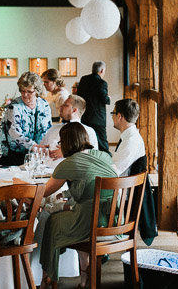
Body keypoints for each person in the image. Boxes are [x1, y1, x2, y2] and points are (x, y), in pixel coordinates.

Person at [37, 123, 117, 289]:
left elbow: (43, 192)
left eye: (61, 142)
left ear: (67, 143)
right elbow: (91, 185)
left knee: (53, 221)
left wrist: (19, 184)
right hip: (114, 220)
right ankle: (84, 279)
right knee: (77, 211)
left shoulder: (70, 163)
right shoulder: (104, 155)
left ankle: (47, 278)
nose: (59, 145)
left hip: (90, 222)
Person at [0, 71, 52, 166]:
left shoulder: (44, 105)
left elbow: (48, 129)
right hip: (7, 153)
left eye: (29, 91)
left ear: (37, 91)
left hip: (33, 152)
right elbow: (15, 134)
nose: (25, 95)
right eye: (23, 90)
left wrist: (45, 146)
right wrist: (35, 146)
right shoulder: (14, 106)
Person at [36, 95, 98, 164]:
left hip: (71, 171)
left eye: (65, 105)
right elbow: (42, 149)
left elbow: (92, 157)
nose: (60, 107)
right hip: (44, 170)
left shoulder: (88, 131)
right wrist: (45, 149)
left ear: (74, 110)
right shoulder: (53, 128)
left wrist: (66, 152)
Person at [77, 61, 111, 153]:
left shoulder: (84, 79)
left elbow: (79, 95)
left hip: (84, 115)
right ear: (102, 70)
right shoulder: (102, 83)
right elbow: (104, 99)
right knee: (102, 143)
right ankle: (106, 161)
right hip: (97, 118)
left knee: (86, 140)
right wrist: (109, 98)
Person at [110, 98, 146, 176]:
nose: (112, 117)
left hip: (123, 186)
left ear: (119, 116)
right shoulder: (129, 135)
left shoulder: (131, 141)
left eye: (113, 113)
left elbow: (113, 171)